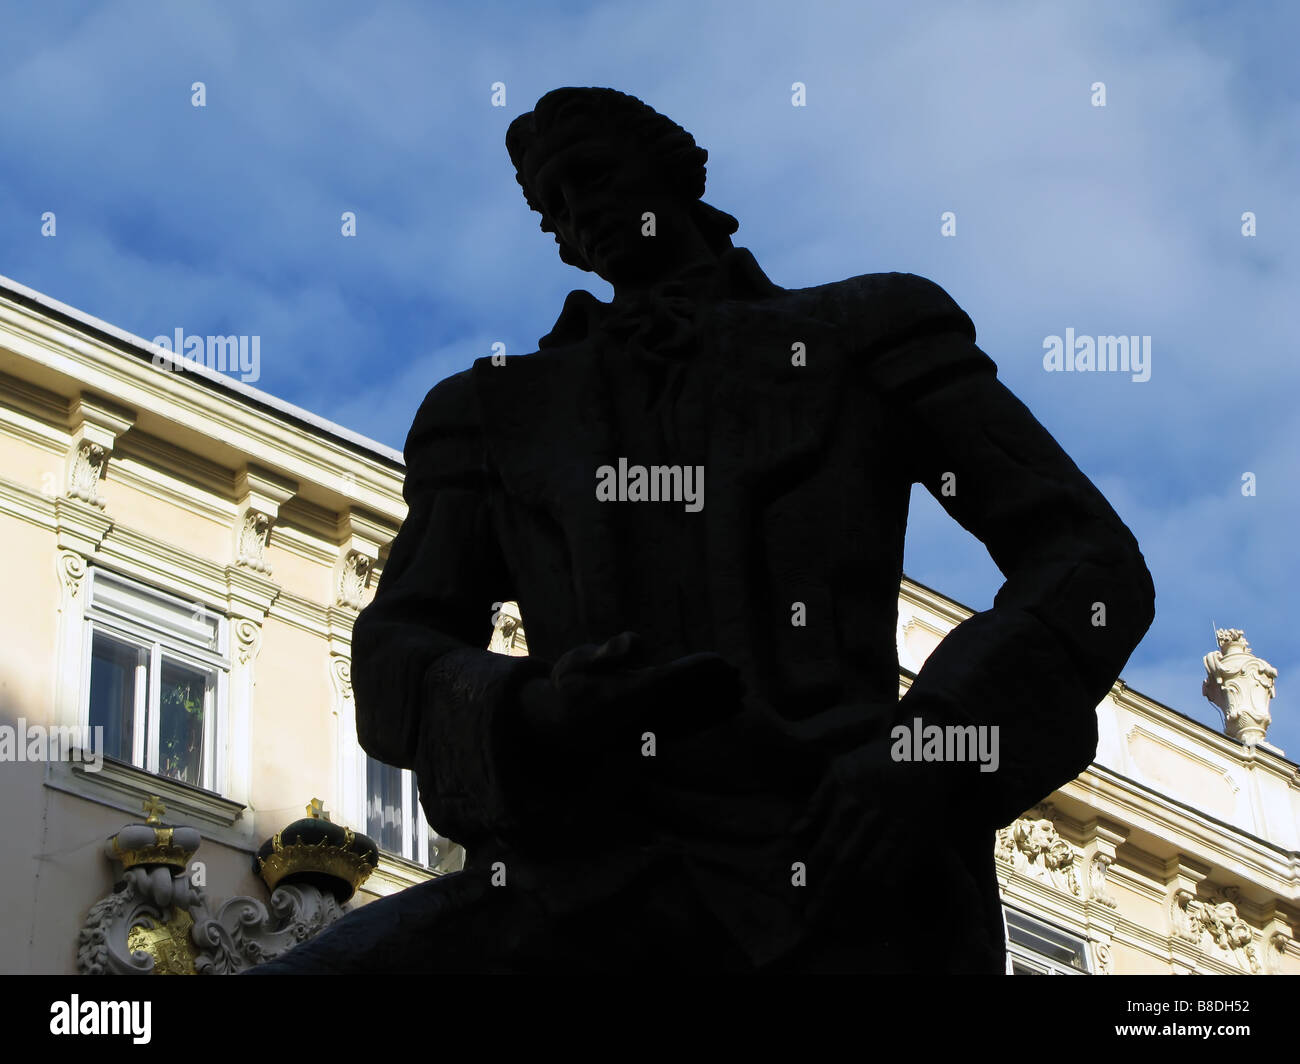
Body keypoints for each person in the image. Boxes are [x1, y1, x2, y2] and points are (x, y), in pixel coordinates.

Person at [253, 87, 1155, 973]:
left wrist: (929, 753)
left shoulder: (863, 331)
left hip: (839, 858)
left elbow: (1090, 565)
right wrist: (531, 708)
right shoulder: (493, 414)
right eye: (553, 207)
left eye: (595, 176)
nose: (580, 214)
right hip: (580, 882)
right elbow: (396, 649)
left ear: (677, 168)